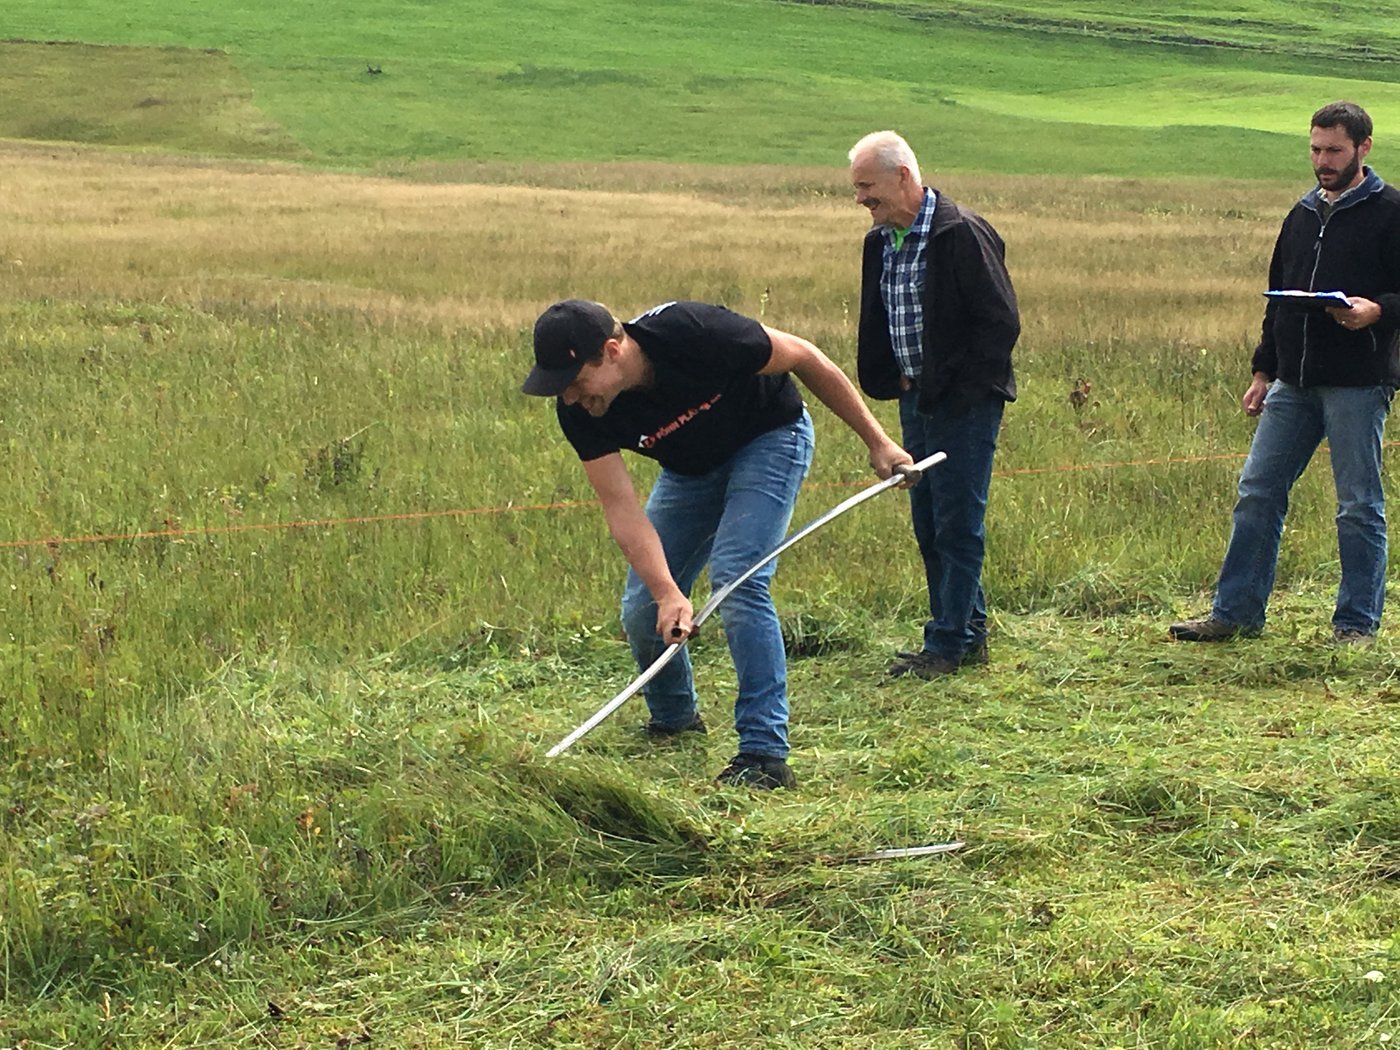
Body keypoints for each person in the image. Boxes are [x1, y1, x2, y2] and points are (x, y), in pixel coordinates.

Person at [522, 299, 911, 789]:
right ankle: (675, 721)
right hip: (690, 472)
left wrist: (879, 443)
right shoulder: (579, 412)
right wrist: (667, 592)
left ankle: (764, 755)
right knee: (644, 608)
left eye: (576, 381)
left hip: (769, 437)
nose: (572, 398)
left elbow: (806, 356)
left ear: (613, 351)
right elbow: (620, 507)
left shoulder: (696, 333)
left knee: (738, 579)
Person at [1171, 101, 1400, 646]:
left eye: (1334, 151)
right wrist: (1262, 370)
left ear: (1364, 148)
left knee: (1357, 505)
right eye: (1316, 149)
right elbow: (1278, 297)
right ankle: (1236, 613)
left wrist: (1377, 311)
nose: (1323, 161)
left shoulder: (1392, 212)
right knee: (1257, 491)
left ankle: (1355, 625)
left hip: (1357, 381)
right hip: (1292, 381)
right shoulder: (1300, 214)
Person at [847, 130, 1020, 679]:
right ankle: (965, 632)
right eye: (856, 190)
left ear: (903, 176)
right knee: (928, 519)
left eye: (868, 188)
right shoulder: (880, 241)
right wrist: (892, 380)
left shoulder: (961, 234)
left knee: (958, 522)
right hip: (913, 397)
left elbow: (1000, 324)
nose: (861, 201)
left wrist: (956, 388)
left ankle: (947, 645)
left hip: (965, 404)